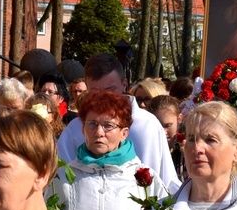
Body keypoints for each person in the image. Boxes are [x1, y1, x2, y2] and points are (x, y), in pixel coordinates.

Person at [53, 90, 168, 210]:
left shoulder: (144, 178)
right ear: (83, 130)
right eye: (92, 124)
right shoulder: (65, 176)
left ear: (124, 132)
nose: (99, 132)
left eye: (108, 125)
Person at [57, 53, 179, 192]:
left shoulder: (148, 125)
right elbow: (61, 183)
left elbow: (167, 182)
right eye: (95, 92)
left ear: (124, 84)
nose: (104, 98)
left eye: (110, 90)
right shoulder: (75, 129)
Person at [148, 95, 184, 179]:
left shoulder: (186, 151)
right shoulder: (147, 150)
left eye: (168, 125)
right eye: (158, 126)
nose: (163, 132)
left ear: (179, 119)